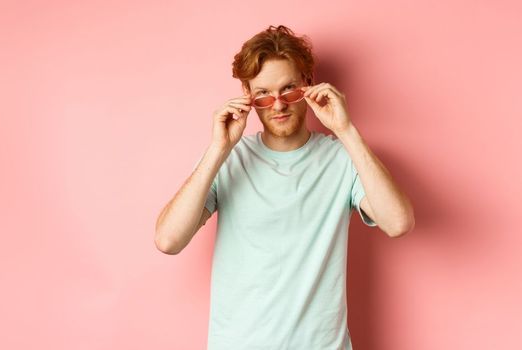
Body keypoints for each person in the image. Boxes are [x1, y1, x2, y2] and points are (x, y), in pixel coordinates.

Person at [153, 25, 415, 349]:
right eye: (263, 94)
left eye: (288, 89)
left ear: (308, 84)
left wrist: (346, 130)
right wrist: (218, 149)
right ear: (248, 96)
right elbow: (168, 239)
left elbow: (398, 222)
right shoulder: (229, 159)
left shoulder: (341, 159)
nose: (277, 105)